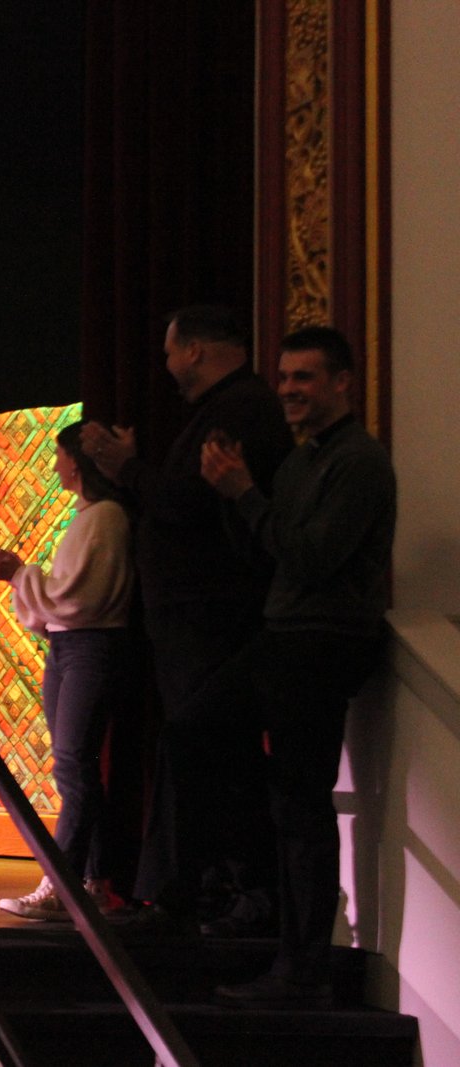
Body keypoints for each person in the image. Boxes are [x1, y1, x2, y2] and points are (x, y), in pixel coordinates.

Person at [198, 327, 395, 1006]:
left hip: (323, 641)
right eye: (283, 377)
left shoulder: (359, 462)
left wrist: (245, 492)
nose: (288, 389)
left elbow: (311, 559)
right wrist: (232, 492)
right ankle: (260, 905)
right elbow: (268, 552)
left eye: (304, 377)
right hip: (285, 634)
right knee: (196, 733)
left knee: (302, 802)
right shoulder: (300, 462)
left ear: (342, 382)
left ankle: (304, 968)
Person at [81, 305, 294, 930]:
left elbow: (187, 504)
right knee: (202, 749)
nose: (168, 365)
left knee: (211, 747)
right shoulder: (222, 410)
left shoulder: (241, 409)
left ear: (196, 350)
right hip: (194, 620)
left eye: (172, 351)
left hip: (213, 618)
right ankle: (201, 890)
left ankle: (229, 891)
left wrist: (126, 469)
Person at [0, 423, 134, 919]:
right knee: (74, 767)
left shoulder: (106, 516)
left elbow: (77, 598)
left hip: (91, 646)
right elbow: (63, 596)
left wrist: (18, 574)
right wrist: (18, 573)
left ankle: (61, 884)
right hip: (68, 648)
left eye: (61, 455)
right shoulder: (86, 517)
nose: (55, 466)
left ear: (79, 462)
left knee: (73, 764)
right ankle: (92, 880)